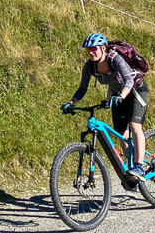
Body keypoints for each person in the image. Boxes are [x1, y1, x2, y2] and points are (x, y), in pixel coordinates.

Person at [61, 32, 149, 180]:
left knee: (134, 126)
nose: (91, 52)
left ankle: (139, 167)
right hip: (117, 95)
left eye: (94, 48)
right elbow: (82, 88)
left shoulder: (115, 59)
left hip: (135, 90)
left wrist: (122, 95)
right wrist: (71, 103)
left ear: (103, 48)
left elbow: (129, 80)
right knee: (121, 133)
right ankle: (131, 167)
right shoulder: (90, 66)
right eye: (88, 49)